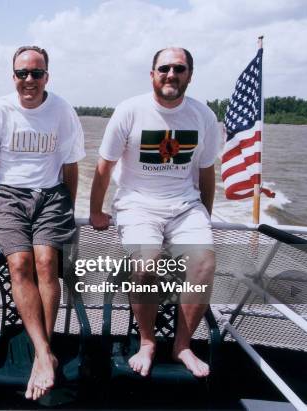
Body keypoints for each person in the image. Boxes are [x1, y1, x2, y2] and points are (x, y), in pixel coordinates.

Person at [89, 47, 220, 378]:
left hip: (186, 206)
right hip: (137, 204)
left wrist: (204, 216)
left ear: (190, 74)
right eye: (164, 68)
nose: (171, 74)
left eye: (179, 68)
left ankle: (183, 346)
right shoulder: (129, 111)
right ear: (152, 74)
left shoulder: (203, 116)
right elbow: (104, 168)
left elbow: (206, 173)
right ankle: (147, 342)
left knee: (204, 261)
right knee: (147, 264)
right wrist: (95, 212)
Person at [0, 46, 85, 400]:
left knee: (46, 263)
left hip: (52, 195)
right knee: (19, 264)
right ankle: (43, 353)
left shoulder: (62, 111)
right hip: (8, 196)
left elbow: (70, 166)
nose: (29, 80)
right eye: (22, 73)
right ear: (13, 77)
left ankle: (42, 352)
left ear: (46, 77)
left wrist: (68, 203)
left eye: (36, 73)